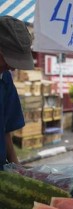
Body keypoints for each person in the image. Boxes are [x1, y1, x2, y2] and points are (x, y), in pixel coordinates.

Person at [0, 16, 34, 170]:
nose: (13, 68)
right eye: (9, 60)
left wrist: (16, 166)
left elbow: (5, 128)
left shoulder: (5, 78)